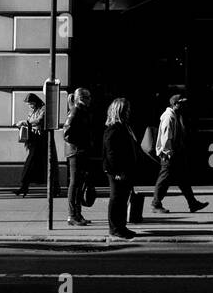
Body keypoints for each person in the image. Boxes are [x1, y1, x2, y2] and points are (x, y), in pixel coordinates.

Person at [151, 94, 208, 214]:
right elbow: (166, 137)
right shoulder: (169, 117)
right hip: (169, 154)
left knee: (183, 179)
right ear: (175, 104)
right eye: (181, 103)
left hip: (176, 153)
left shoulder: (176, 115)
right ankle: (156, 204)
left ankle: (192, 203)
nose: (184, 105)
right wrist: (168, 152)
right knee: (164, 179)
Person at [102, 97, 138, 240]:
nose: (128, 112)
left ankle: (121, 226)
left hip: (125, 169)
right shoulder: (113, 129)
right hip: (117, 171)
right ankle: (115, 228)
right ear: (119, 111)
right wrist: (116, 172)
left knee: (123, 199)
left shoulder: (124, 127)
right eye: (126, 110)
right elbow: (111, 153)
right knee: (116, 199)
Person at [16, 93, 60, 197]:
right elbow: (32, 121)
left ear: (36, 101)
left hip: (42, 140)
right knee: (34, 164)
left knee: (46, 163)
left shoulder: (43, 109)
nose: (30, 106)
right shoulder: (32, 110)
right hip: (35, 139)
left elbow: (39, 120)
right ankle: (24, 186)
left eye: (31, 103)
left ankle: (54, 188)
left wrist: (25, 122)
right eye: (29, 104)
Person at [63, 88, 95, 226]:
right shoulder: (75, 111)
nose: (90, 99)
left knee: (79, 184)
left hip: (80, 151)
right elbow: (67, 132)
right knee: (75, 183)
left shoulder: (82, 111)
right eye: (88, 97)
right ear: (81, 98)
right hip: (75, 152)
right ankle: (72, 215)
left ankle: (78, 214)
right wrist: (81, 143)